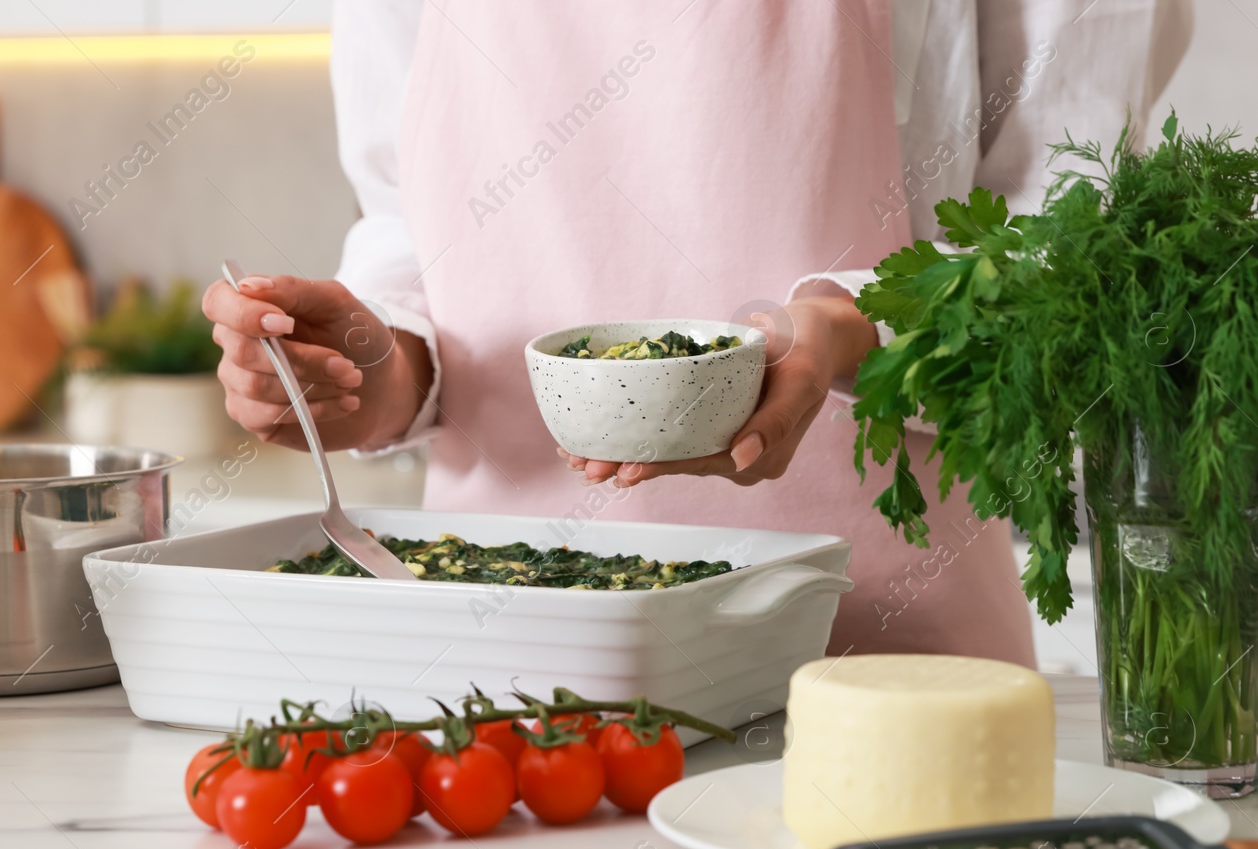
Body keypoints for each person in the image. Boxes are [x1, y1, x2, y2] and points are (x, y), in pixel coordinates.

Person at [203, 0, 1193, 666]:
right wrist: (370, 370)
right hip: (505, 655)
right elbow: (413, 229)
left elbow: (1067, 247)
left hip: (871, 665)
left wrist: (852, 333)